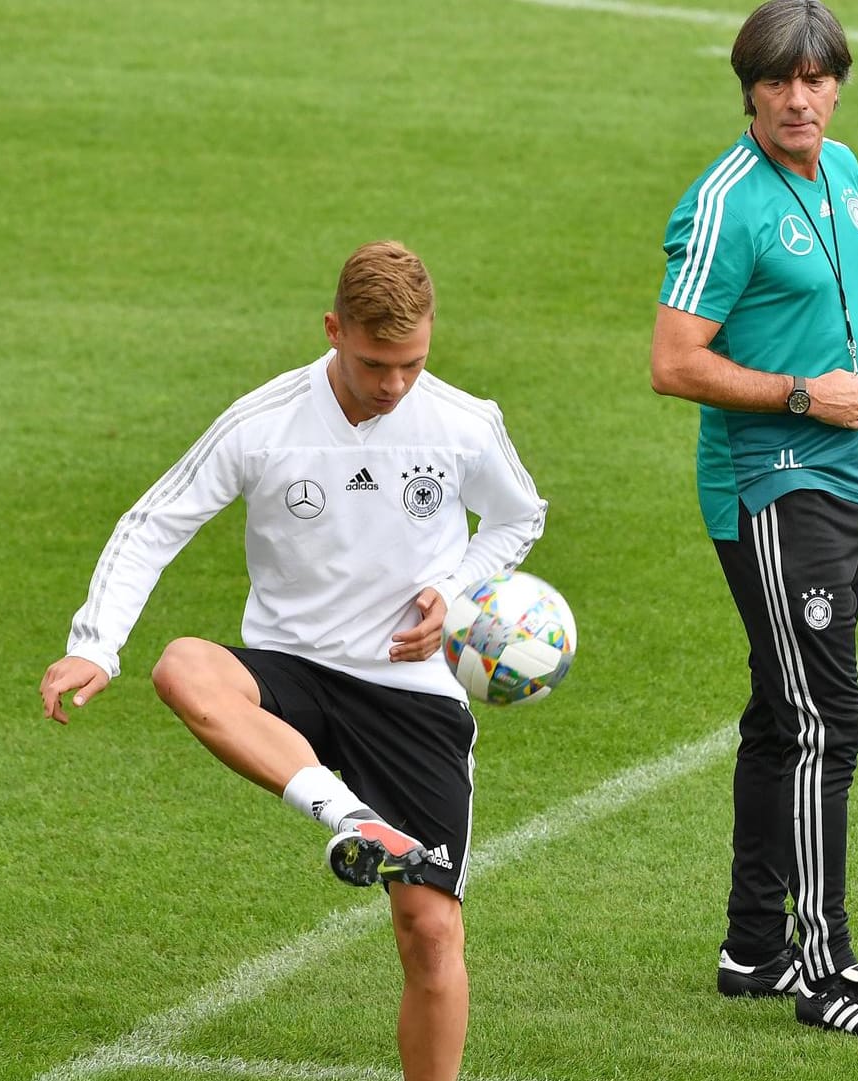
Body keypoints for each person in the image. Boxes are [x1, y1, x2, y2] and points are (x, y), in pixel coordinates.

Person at [39, 240, 547, 1081]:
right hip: (292, 673)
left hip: (408, 689)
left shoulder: (462, 422)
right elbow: (154, 521)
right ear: (333, 330)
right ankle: (348, 814)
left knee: (429, 931)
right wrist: (94, 645)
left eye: (412, 363)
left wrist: (451, 590)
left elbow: (516, 519)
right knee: (181, 664)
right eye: (376, 361)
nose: (393, 385)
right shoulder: (264, 421)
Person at [648, 0, 858, 1039]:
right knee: (825, 720)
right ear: (750, 90)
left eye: (817, 79)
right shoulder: (724, 202)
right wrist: (810, 400)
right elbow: (674, 362)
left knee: (783, 713)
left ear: (839, 83)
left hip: (838, 469)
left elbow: (844, 315)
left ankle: (753, 945)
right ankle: (826, 972)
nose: (800, 98)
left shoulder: (841, 171)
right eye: (780, 81)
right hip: (770, 482)